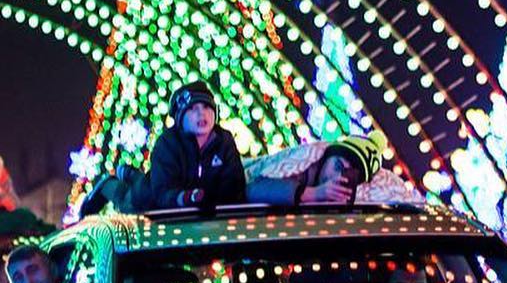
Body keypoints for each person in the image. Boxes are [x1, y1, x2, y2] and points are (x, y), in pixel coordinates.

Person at [145, 81, 246, 210]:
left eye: (206, 106)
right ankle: (118, 179)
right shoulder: (168, 143)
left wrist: (211, 201)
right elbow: (162, 191)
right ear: (180, 118)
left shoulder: (224, 140)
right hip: (158, 205)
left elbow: (235, 183)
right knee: (129, 194)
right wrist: (186, 198)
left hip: (211, 213)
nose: (201, 114)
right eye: (193, 108)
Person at [246, 134, 383, 208]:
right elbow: (251, 190)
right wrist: (314, 194)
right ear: (328, 156)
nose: (336, 177)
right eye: (337, 166)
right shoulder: (303, 165)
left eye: (347, 175)